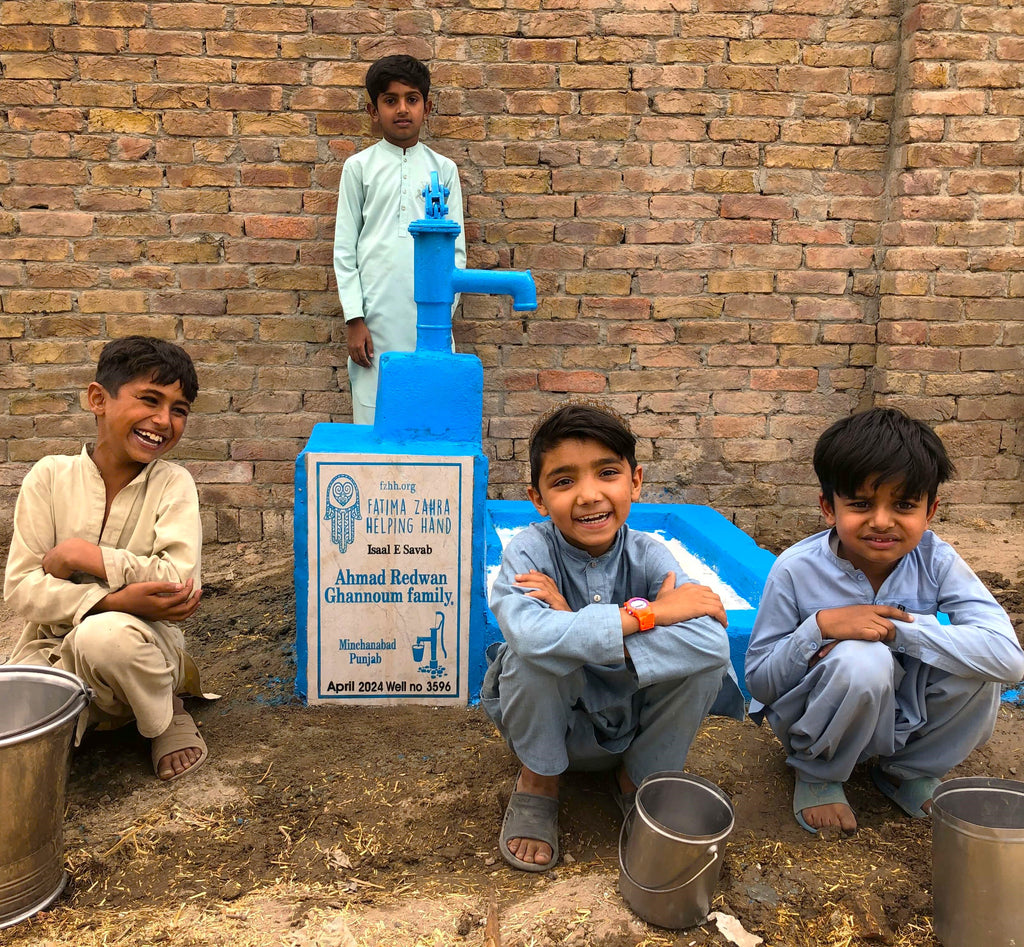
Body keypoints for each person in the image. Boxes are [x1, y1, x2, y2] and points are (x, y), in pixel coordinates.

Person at [482, 401, 742, 871]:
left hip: (633, 724)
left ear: (635, 481)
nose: (588, 495)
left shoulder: (651, 554)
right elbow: (528, 636)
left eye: (607, 473)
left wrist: (571, 624)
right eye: (563, 481)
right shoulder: (529, 552)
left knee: (706, 664)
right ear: (537, 499)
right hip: (558, 725)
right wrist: (650, 615)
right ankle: (538, 782)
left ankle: (637, 779)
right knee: (527, 658)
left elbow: (711, 642)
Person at [745, 407, 1024, 834]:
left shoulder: (937, 560)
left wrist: (898, 632)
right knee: (861, 660)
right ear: (828, 507)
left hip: (903, 712)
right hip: (818, 719)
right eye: (860, 503)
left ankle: (905, 772)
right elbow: (761, 682)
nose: (881, 521)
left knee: (978, 667)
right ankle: (820, 774)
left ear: (929, 512)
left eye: (904, 504)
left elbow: (1009, 660)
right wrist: (818, 627)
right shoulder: (795, 569)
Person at [4, 336, 209, 782]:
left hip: (140, 645)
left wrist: (88, 557)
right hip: (51, 647)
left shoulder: (174, 484)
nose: (163, 420)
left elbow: (177, 583)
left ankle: (163, 714)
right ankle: (86, 719)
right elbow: (21, 589)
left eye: (179, 409)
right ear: (98, 399)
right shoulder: (49, 477)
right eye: (150, 400)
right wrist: (115, 599)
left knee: (105, 638)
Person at [333, 53, 465, 425]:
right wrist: (354, 318)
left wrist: (441, 315)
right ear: (374, 111)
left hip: (431, 321)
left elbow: (456, 253)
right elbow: (345, 250)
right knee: (374, 423)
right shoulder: (358, 168)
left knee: (429, 423)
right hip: (373, 323)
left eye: (412, 99)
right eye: (390, 100)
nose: (402, 109)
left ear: (427, 106)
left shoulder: (444, 170)